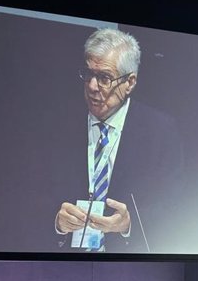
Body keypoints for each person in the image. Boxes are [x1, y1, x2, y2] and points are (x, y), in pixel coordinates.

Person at [54, 28, 184, 253]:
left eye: (104, 78)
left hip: (128, 265)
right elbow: (32, 197)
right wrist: (57, 223)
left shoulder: (160, 131)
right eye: (88, 74)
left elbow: (174, 205)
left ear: (130, 82)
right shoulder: (58, 125)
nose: (93, 87)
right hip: (61, 264)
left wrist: (128, 224)